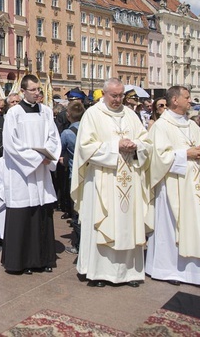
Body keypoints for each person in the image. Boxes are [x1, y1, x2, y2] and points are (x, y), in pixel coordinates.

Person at [70, 78, 151, 288]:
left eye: (121, 95)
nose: (118, 99)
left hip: (128, 179)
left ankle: (129, 273)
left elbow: (147, 142)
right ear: (104, 94)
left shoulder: (131, 115)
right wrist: (117, 145)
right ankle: (98, 273)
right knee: (102, 222)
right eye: (114, 95)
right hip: (102, 179)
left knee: (128, 224)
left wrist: (136, 145)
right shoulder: (93, 115)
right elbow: (85, 147)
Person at [145, 86, 200, 287]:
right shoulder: (161, 126)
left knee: (197, 223)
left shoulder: (192, 125)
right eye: (187, 97)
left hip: (195, 185)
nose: (190, 100)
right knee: (171, 227)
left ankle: (197, 270)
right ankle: (169, 269)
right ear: (175, 100)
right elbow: (157, 157)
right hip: (172, 186)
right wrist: (186, 154)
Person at [0, 75, 62, 275]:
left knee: (41, 213)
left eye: (38, 89)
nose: (37, 93)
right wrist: (35, 159)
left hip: (42, 171)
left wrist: (48, 156)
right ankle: (21, 261)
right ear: (23, 91)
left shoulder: (46, 111)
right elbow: (11, 144)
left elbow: (53, 137)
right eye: (33, 89)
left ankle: (43, 259)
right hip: (21, 172)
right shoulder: (14, 113)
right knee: (23, 214)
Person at [60, 100, 84, 255]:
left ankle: (78, 244)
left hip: (73, 174)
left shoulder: (67, 133)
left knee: (76, 209)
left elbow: (58, 150)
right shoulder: (87, 128)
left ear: (68, 116)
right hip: (87, 174)